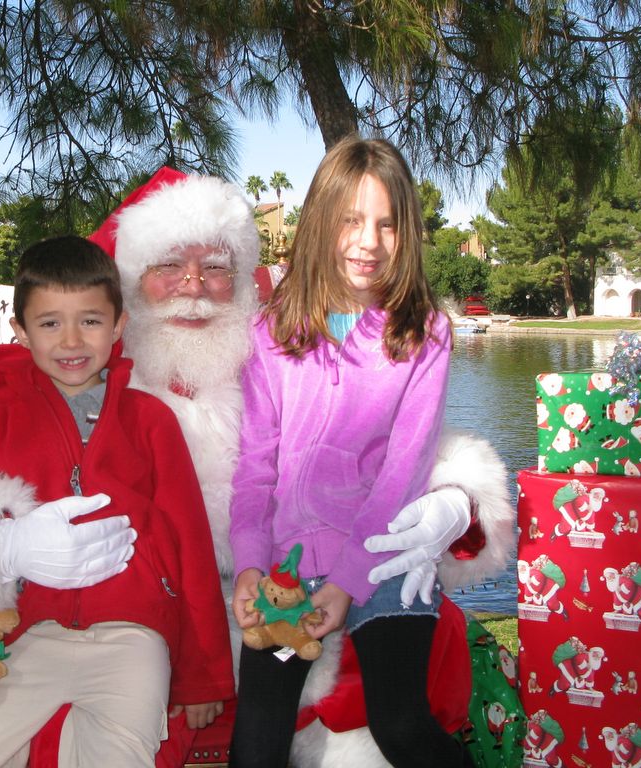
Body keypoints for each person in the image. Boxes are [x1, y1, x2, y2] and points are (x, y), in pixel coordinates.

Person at [22, 166, 512, 768]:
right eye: (170, 266)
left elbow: (404, 453)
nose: (194, 286)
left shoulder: (282, 336)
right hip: (219, 601)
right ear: (131, 286)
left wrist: (459, 498)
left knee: (397, 722)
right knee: (255, 738)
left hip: (358, 567)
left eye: (216, 267)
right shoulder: (92, 378)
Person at [0, 236, 234, 768]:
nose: (71, 340)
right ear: (20, 331)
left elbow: (190, 548)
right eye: (49, 323)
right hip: (23, 638)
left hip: (132, 641)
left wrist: (203, 673)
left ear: (118, 326)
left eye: (90, 320)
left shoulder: (150, 421)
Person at [226, 137, 473, 767]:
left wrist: (348, 580)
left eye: (387, 224)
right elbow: (255, 467)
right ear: (321, 222)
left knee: (401, 725)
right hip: (288, 569)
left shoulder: (423, 333)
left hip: (387, 558)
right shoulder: (272, 331)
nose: (369, 241)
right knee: (255, 741)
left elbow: (403, 471)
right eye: (351, 220)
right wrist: (252, 564)